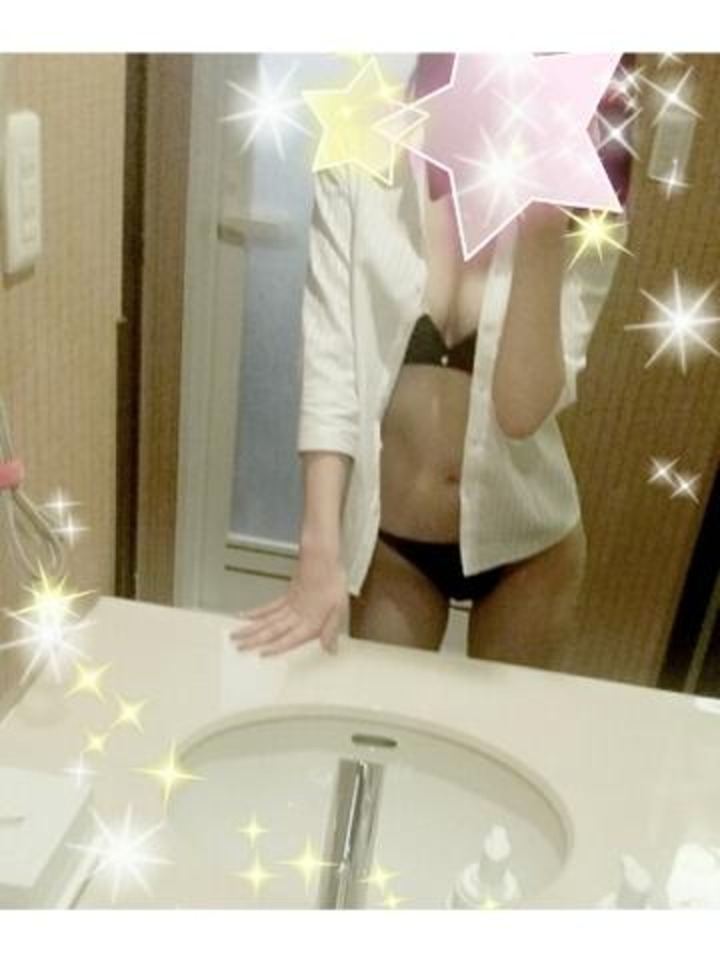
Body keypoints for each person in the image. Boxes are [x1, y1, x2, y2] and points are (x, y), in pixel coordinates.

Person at [230, 53, 631, 667]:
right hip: (394, 542)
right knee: (380, 720)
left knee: (499, 730)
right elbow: (332, 358)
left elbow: (522, 412)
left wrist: (543, 224)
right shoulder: (363, 136)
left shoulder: (585, 202)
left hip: (530, 546)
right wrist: (319, 548)